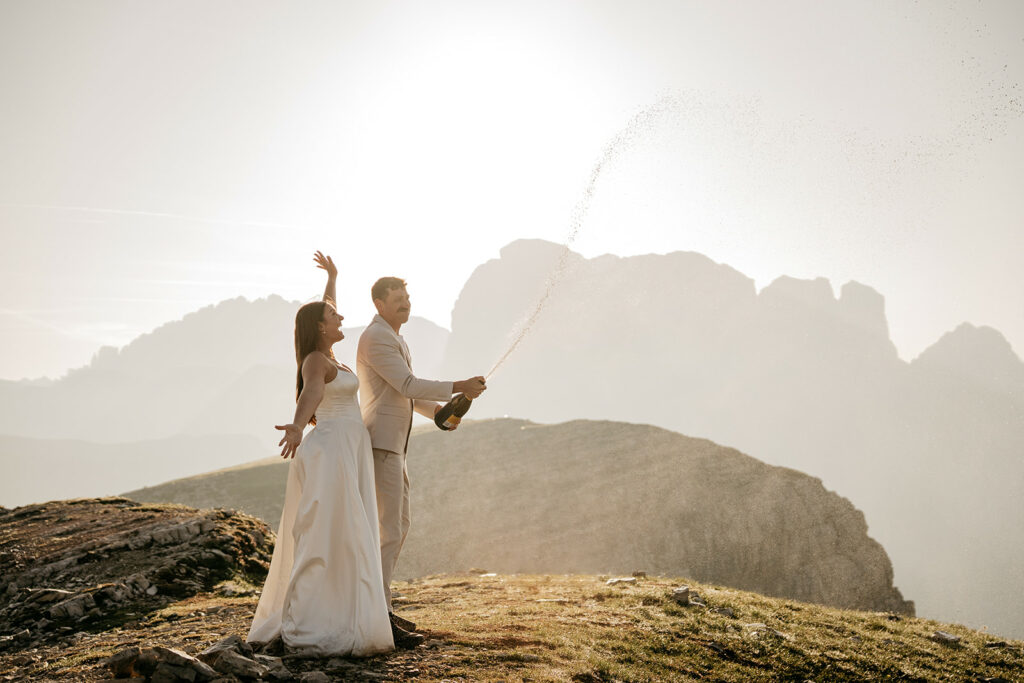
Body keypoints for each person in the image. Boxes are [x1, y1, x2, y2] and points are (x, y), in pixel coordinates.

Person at [248, 256, 421, 655]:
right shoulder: (315, 361)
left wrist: (333, 278)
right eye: (333, 314)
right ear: (321, 327)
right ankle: (314, 618)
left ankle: (355, 610)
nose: (340, 316)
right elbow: (310, 393)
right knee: (327, 531)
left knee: (352, 531)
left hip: (350, 447)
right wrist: (296, 423)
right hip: (331, 450)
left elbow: (323, 314)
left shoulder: (329, 353)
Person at [320, 261, 486, 633]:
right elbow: (408, 384)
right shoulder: (377, 337)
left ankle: (379, 607)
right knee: (388, 529)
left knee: (399, 525)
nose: (405, 303)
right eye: (397, 299)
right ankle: (376, 613)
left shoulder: (396, 337)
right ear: (378, 304)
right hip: (380, 444)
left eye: (407, 297)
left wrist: (440, 413)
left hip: (393, 445)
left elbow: (403, 393)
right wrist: (459, 385)